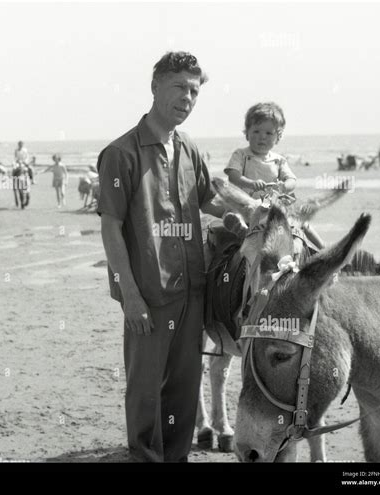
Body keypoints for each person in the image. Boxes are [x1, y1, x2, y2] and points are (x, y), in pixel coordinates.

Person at [97, 51, 227, 463]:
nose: (187, 98)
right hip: (149, 296)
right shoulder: (121, 154)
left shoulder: (189, 147)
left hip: (192, 291)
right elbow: (111, 227)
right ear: (155, 87)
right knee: (145, 389)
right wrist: (130, 296)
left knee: (184, 391)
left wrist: (252, 213)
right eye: (179, 88)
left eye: (194, 91)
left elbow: (213, 200)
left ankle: (176, 459)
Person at [224, 102, 324, 248]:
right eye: (256, 131)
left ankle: (323, 249)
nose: (262, 137)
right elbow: (233, 175)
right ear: (247, 133)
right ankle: (242, 229)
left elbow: (291, 179)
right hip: (246, 205)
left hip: (270, 207)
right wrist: (250, 183)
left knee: (301, 221)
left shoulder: (278, 160)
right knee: (234, 215)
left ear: (278, 137)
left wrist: (284, 186)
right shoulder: (241, 154)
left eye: (268, 133)